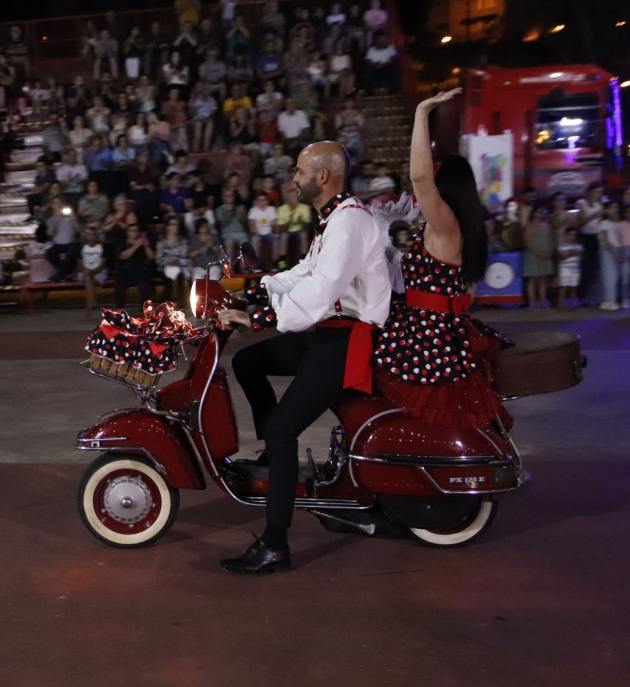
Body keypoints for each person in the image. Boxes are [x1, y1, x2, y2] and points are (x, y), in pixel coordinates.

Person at [217, 141, 391, 574]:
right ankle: (276, 462)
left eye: (299, 172)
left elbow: (321, 291)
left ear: (323, 176)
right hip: (327, 332)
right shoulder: (334, 219)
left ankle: (275, 544)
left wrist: (258, 316)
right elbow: (306, 272)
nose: (292, 178)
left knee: (281, 427)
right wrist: (259, 286)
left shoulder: (348, 224)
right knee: (248, 363)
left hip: (345, 341)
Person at [374, 89, 506, 432]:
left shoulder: (446, 226)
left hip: (425, 336)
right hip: (426, 327)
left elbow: (419, 178)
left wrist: (420, 113)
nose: (420, 193)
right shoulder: (455, 228)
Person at [113, 223, 155, 307]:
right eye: (132, 231)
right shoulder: (122, 243)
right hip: (125, 272)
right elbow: (122, 256)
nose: (135, 233)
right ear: (127, 233)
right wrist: (136, 245)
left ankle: (145, 308)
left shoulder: (144, 243)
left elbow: (152, 257)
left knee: (145, 283)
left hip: (140, 271)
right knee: (119, 284)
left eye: (136, 231)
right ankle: (119, 308)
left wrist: (146, 246)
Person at [523, 205, 555, 308]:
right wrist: (538, 252)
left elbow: (551, 239)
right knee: (532, 279)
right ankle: (532, 302)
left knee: (543, 279)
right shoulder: (529, 225)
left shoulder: (546, 225)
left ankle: (543, 300)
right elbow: (527, 242)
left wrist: (549, 250)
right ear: (533, 213)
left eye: (541, 212)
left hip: (545, 255)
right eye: (537, 212)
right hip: (532, 256)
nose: (539, 214)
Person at [597, 201, 623, 311]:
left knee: (613, 276)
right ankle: (609, 301)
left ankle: (607, 301)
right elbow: (606, 240)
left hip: (614, 250)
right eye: (612, 208)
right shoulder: (604, 223)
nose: (614, 210)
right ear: (606, 210)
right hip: (608, 251)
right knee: (610, 276)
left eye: (616, 207)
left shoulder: (614, 223)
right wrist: (614, 254)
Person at [79, 227, 107, 313]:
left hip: (99, 273)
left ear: (96, 236)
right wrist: (87, 272)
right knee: (88, 276)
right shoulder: (81, 247)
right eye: (89, 234)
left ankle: (90, 303)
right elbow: (80, 264)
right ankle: (92, 302)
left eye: (93, 234)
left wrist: (93, 272)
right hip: (85, 273)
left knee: (88, 279)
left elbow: (103, 264)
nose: (91, 237)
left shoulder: (102, 247)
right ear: (86, 236)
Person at [555, 227, 583, 310]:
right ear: (566, 236)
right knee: (564, 287)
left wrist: (570, 253)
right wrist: (572, 253)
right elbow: (562, 257)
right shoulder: (562, 246)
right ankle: (560, 304)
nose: (572, 237)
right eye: (570, 235)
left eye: (574, 235)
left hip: (575, 269)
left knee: (573, 287)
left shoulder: (579, 246)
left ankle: (573, 304)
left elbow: (580, 256)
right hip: (565, 269)